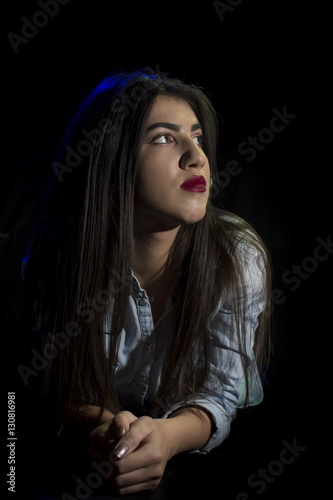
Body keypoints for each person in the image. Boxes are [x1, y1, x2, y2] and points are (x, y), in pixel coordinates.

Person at [21, 68, 271, 496]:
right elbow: (57, 385)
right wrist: (107, 428)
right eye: (163, 137)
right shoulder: (56, 258)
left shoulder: (237, 256)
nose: (197, 157)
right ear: (110, 159)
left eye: (197, 137)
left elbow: (222, 393)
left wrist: (167, 438)